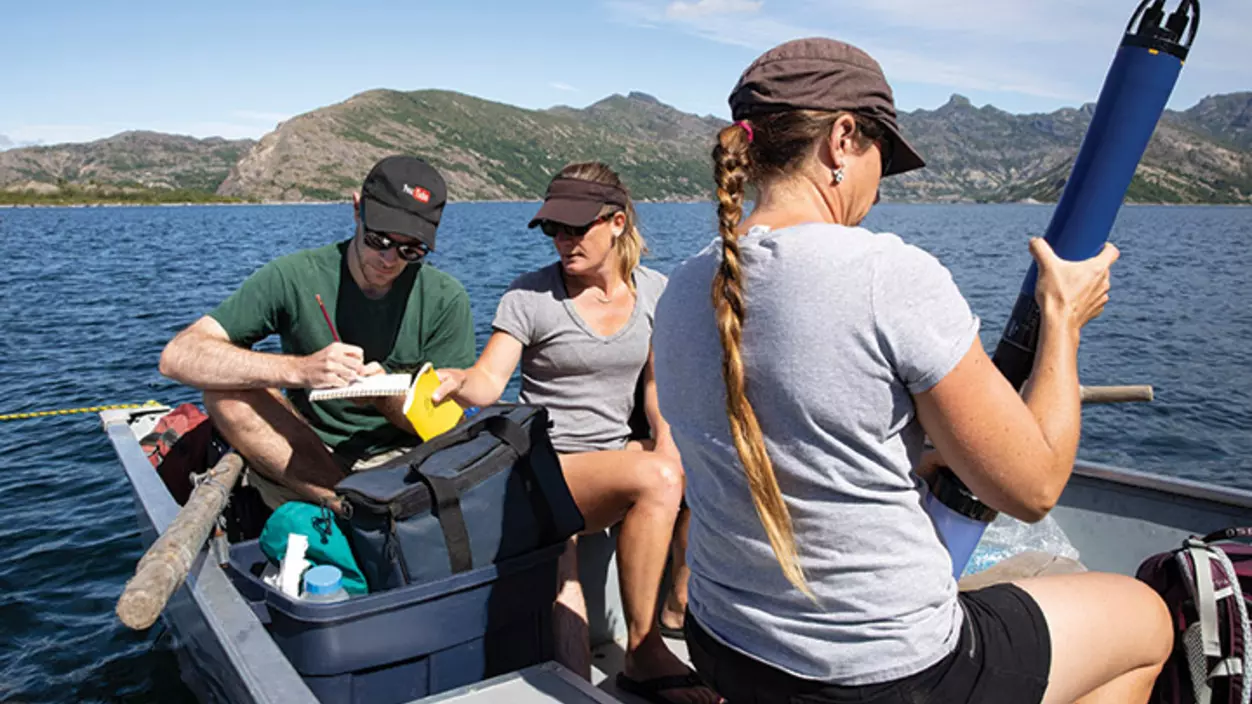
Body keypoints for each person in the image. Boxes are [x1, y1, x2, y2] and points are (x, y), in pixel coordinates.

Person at [651, 38, 1172, 704]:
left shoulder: (681, 288)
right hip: (882, 675)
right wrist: (1064, 324)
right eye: (882, 157)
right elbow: (1035, 486)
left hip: (726, 645)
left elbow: (791, 437)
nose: (878, 189)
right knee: (1144, 618)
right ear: (843, 139)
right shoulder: (885, 276)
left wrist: (909, 459)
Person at [431, 162, 716, 704]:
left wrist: (673, 453)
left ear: (616, 222)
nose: (563, 242)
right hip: (546, 466)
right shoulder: (530, 297)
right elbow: (489, 380)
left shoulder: (656, 293)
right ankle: (640, 651)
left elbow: (659, 395)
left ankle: (675, 616)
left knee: (685, 466)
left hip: (618, 463)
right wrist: (458, 382)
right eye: (553, 230)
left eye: (575, 228)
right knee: (635, 494)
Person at [159, 155, 475, 511]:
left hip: (404, 456)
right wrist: (300, 371)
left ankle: (358, 513)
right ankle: (349, 508)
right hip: (308, 450)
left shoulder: (446, 298)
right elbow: (177, 356)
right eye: (378, 240)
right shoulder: (294, 276)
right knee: (224, 396)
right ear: (358, 210)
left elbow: (448, 426)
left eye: (410, 250)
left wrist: (381, 396)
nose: (389, 260)